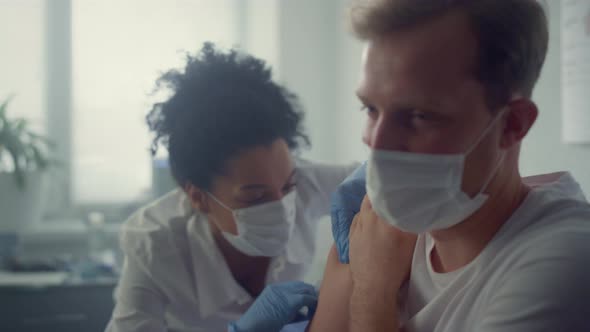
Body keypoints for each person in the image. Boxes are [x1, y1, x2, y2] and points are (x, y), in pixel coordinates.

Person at [232, 0, 590, 331]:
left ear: (512, 124)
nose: (376, 143)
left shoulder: (565, 265)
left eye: (419, 116)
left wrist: (371, 295)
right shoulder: (396, 220)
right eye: (370, 109)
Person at [105, 43, 358, 332]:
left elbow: (387, 178)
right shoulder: (154, 245)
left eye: (288, 187)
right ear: (199, 197)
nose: (282, 205)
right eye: (256, 196)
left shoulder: (304, 181)